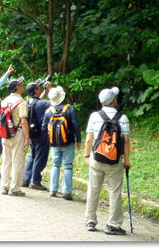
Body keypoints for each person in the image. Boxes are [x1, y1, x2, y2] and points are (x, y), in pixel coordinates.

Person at [84, 86, 131, 235]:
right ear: (115, 101)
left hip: (97, 159)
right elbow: (126, 141)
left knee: (93, 189)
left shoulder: (94, 116)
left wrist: (87, 156)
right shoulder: (122, 118)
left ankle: (90, 221)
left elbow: (89, 139)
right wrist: (127, 161)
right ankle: (113, 225)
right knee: (115, 192)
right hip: (115, 161)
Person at [42, 86, 81, 200]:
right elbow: (76, 125)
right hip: (68, 141)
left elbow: (44, 126)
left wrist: (50, 137)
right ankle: (66, 192)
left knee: (55, 165)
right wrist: (78, 140)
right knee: (68, 166)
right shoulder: (70, 109)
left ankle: (53, 190)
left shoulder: (49, 111)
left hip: (54, 143)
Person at [0, 77, 30, 196]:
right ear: (17, 88)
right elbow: (24, 121)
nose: (23, 86)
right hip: (17, 132)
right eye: (21, 85)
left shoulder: (5, 100)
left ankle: (4, 186)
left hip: (5, 133)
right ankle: (15, 188)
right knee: (17, 161)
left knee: (6, 160)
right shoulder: (22, 102)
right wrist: (27, 138)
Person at [22, 78, 51, 190]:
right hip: (41, 134)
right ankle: (36, 181)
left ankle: (26, 179)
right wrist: (50, 90)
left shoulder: (28, 101)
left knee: (32, 156)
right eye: (39, 87)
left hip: (31, 133)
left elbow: (38, 101)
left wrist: (45, 91)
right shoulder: (42, 103)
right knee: (40, 157)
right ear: (36, 90)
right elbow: (55, 101)